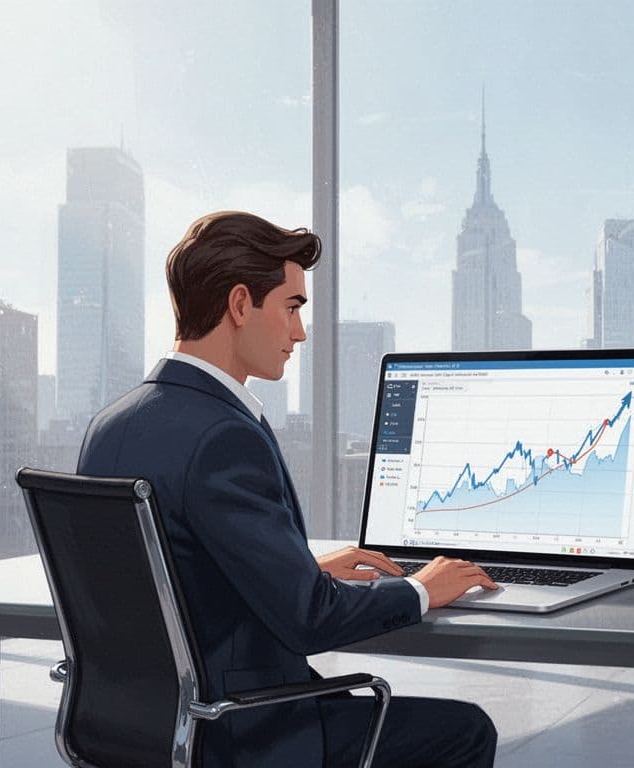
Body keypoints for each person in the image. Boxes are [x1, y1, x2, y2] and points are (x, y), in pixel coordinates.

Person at [77, 210, 499, 768]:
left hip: (140, 732)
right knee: (467, 730)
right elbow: (310, 623)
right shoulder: (224, 436)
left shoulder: (109, 425)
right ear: (239, 305)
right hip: (240, 734)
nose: (299, 332)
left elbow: (172, 580)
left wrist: (304, 573)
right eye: (292, 308)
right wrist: (423, 588)